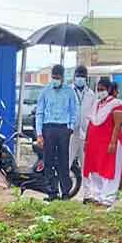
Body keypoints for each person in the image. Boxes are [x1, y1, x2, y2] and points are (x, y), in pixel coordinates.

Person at [82, 78, 122, 208]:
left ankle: (107, 199)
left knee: (109, 171)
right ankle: (98, 196)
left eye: (102, 90)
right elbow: (90, 122)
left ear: (109, 90)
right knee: (96, 170)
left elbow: (118, 125)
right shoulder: (97, 104)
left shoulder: (116, 104)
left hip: (109, 143)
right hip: (96, 144)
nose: (100, 92)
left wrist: (113, 142)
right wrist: (87, 140)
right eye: (98, 90)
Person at [36, 65, 77, 201]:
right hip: (48, 128)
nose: (55, 80)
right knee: (48, 161)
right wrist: (39, 134)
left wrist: (70, 128)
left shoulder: (69, 92)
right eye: (53, 77)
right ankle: (51, 192)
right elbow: (39, 112)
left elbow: (73, 111)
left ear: (63, 77)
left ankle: (65, 192)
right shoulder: (45, 91)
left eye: (58, 78)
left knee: (63, 162)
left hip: (63, 129)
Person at [70, 66, 96, 202]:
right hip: (71, 134)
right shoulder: (68, 91)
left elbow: (92, 116)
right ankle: (63, 191)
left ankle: (87, 195)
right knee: (66, 163)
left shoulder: (91, 94)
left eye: (83, 76)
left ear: (86, 78)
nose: (80, 78)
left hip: (85, 135)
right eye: (78, 75)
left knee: (87, 166)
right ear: (74, 77)